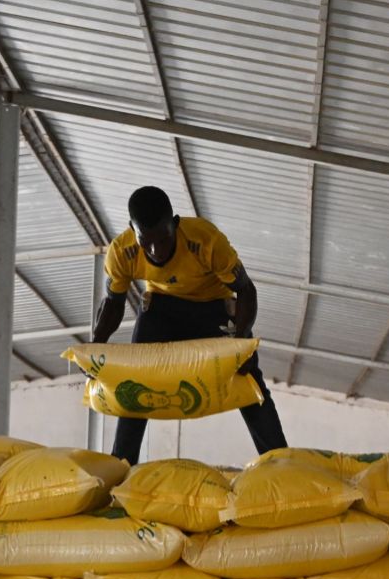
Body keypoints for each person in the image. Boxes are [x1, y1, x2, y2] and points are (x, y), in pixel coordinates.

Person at [91, 186, 287, 463]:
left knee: (249, 379)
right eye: (146, 241)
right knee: (136, 380)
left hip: (213, 310)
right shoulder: (121, 252)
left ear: (174, 223)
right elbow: (112, 303)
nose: (156, 250)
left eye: (164, 238)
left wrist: (241, 341)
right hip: (162, 310)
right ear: (132, 231)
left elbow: (246, 290)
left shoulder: (205, 239)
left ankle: (279, 458)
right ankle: (122, 461)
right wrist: (95, 346)